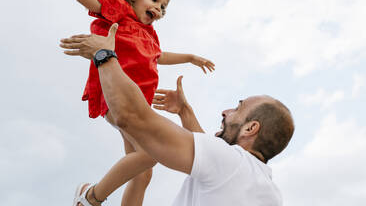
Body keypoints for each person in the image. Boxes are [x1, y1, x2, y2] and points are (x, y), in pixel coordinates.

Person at [60, 24, 295, 206]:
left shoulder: (231, 164)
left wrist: (104, 56)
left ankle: (90, 198)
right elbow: (210, 157)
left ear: (250, 128)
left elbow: (132, 117)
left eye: (237, 108)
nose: (225, 111)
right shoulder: (268, 192)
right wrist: (184, 111)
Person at [67, 0, 215, 206]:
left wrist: (190, 57)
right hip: (116, 96)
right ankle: (91, 197)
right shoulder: (119, 11)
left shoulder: (150, 35)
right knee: (151, 152)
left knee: (143, 172)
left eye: (163, 7)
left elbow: (159, 56)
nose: (159, 9)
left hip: (139, 103)